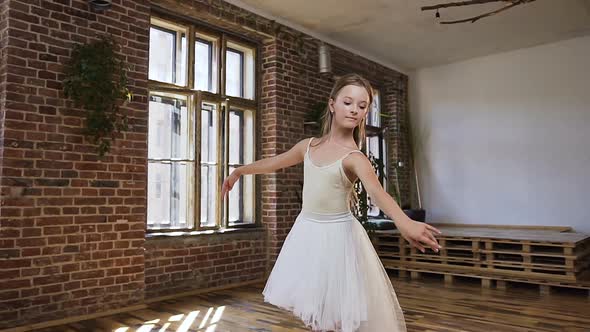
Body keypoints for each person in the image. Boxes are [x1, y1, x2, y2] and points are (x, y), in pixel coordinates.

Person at [221, 73, 442, 332]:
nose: (355, 110)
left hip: (339, 237)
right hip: (308, 233)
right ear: (332, 104)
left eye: (362, 106)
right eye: (348, 102)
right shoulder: (308, 146)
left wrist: (404, 222)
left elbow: (378, 193)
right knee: (318, 312)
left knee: (338, 315)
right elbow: (275, 161)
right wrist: (239, 171)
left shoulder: (355, 157)